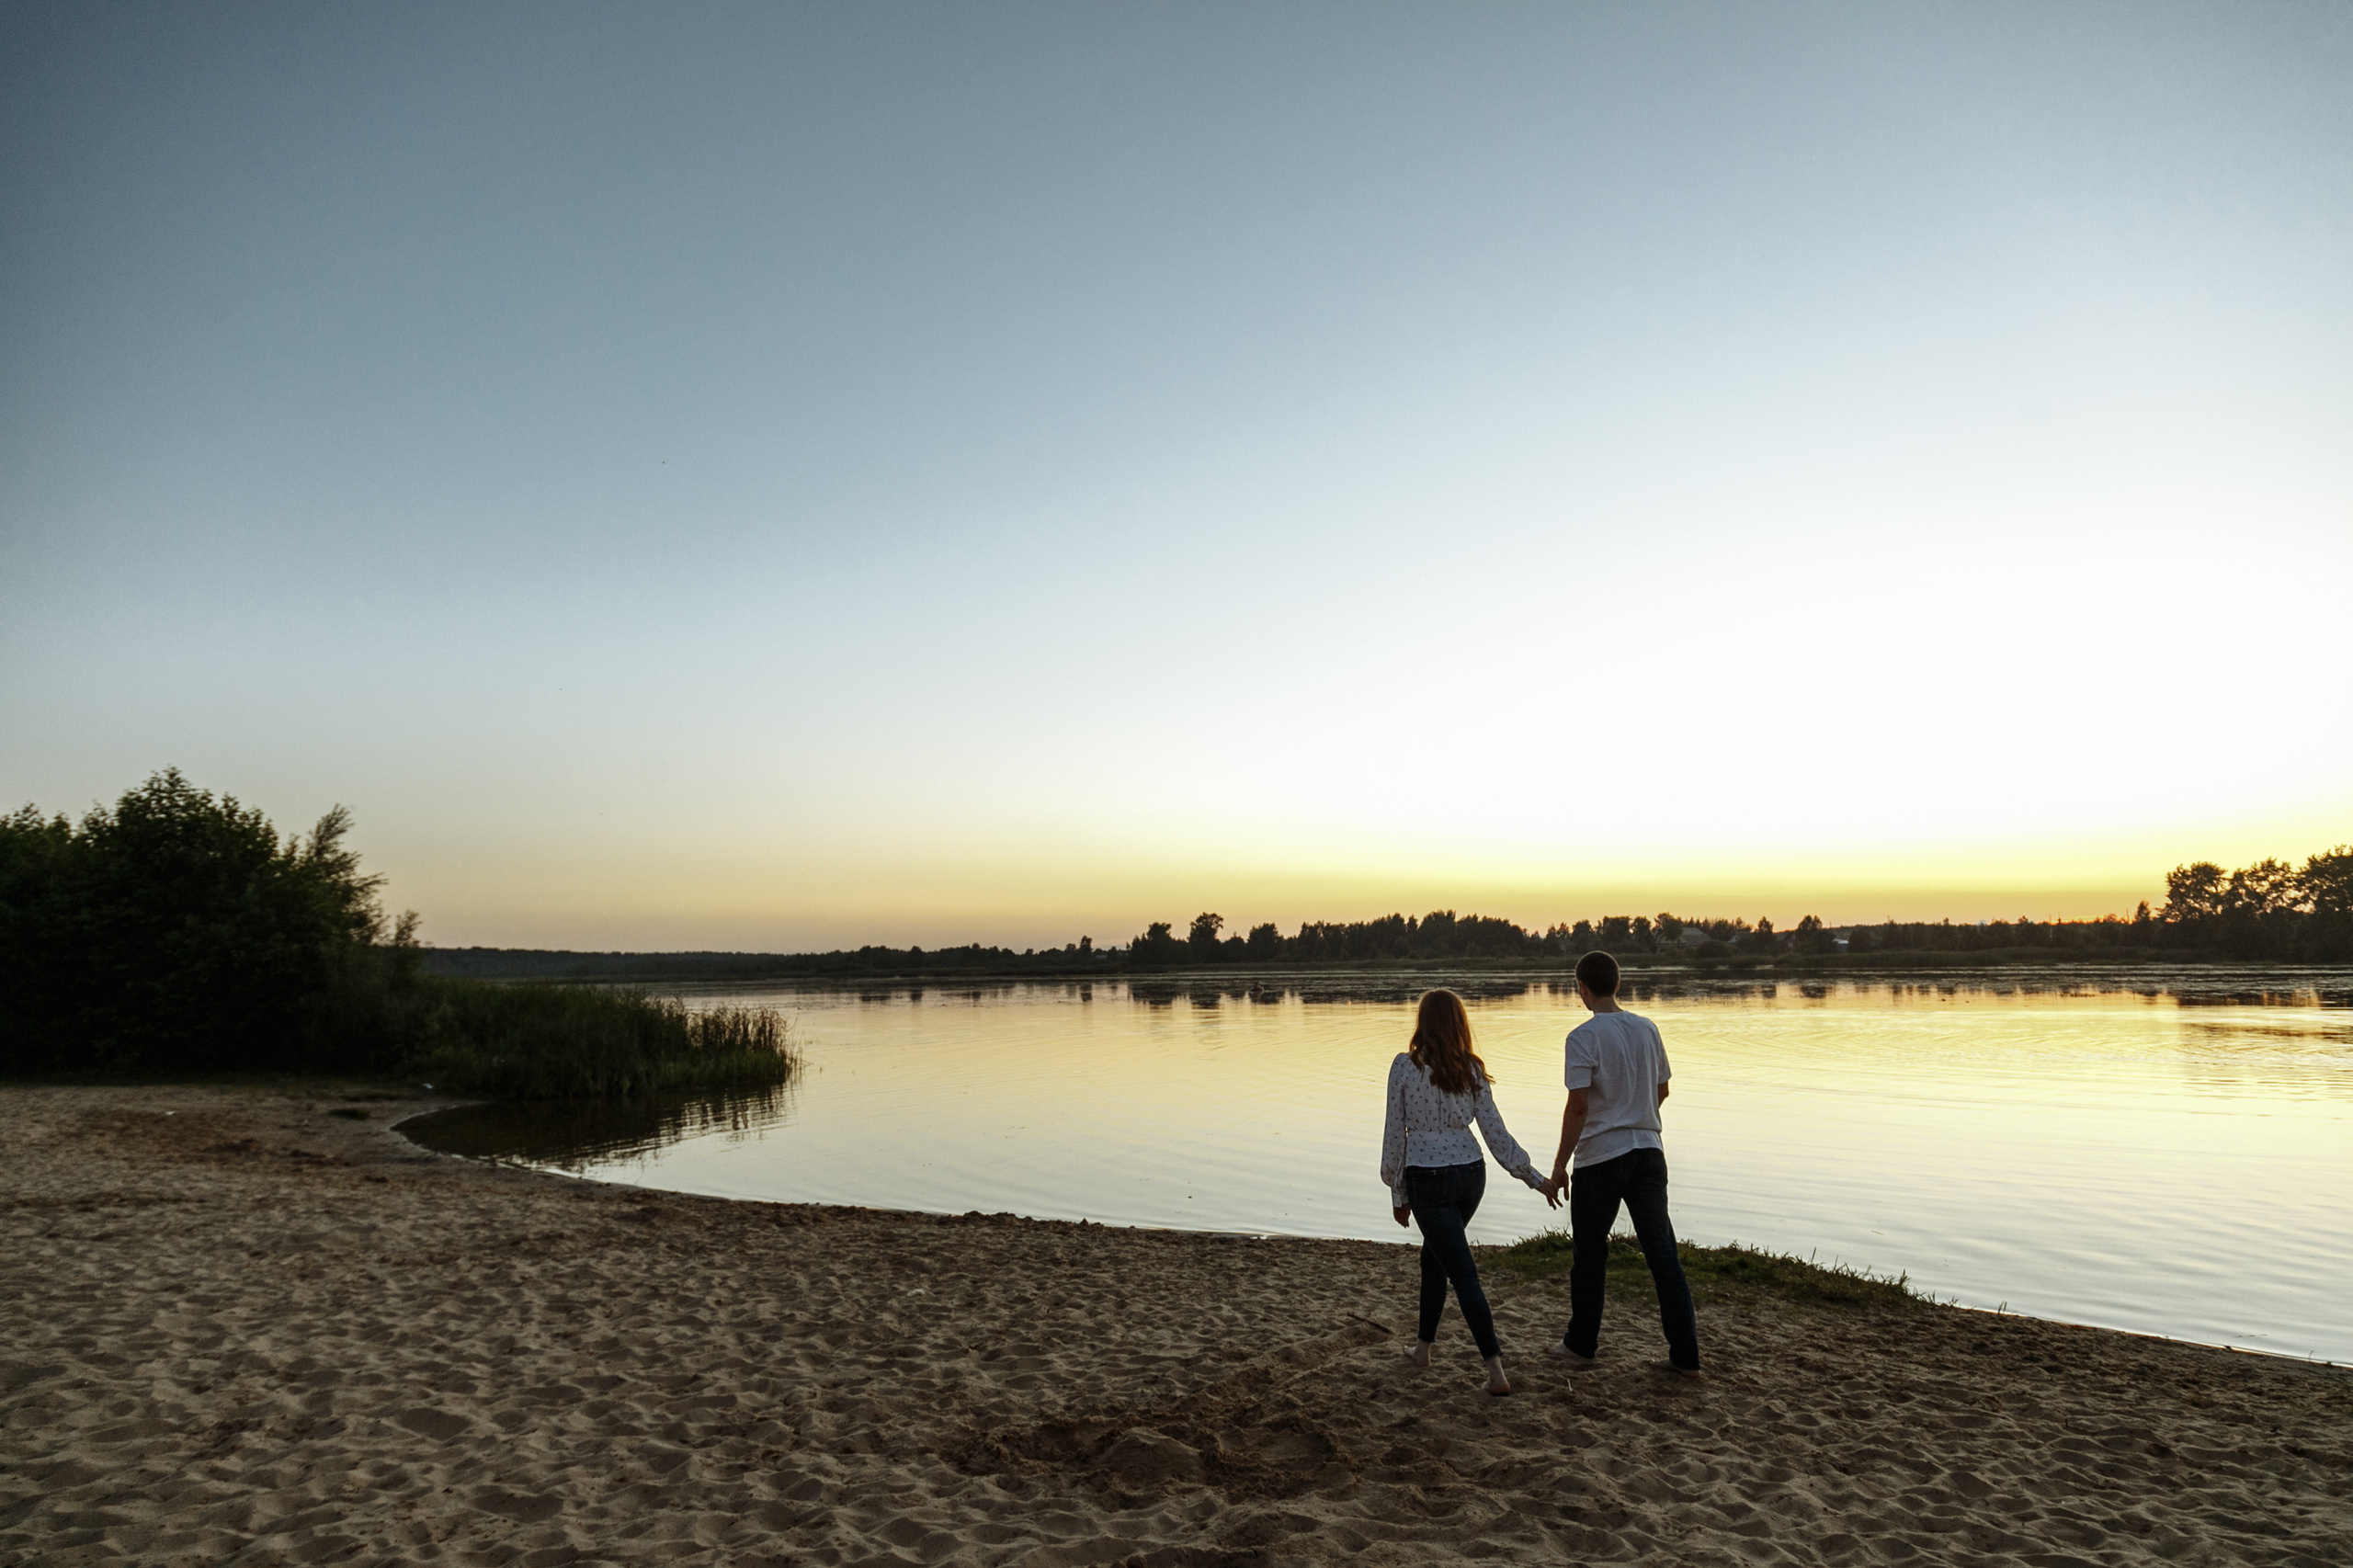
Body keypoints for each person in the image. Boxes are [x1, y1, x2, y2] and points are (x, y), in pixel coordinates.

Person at [1380, 988, 1557, 1396]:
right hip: (1470, 1176)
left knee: (1462, 1272)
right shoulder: (1471, 1069)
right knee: (1434, 1258)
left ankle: (1496, 1372)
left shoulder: (1404, 1068)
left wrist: (1396, 1191)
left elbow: (1395, 1136)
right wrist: (1531, 1175)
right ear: (1460, 1024)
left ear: (1422, 1023)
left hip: (1429, 1178)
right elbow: (1495, 1133)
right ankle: (1423, 1348)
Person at [1543, 950, 1702, 1378]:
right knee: (1663, 1253)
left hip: (1601, 1159)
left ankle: (1581, 1344)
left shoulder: (1582, 1038)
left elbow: (1577, 1107)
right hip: (1650, 1152)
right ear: (1618, 982)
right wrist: (1637, 1115)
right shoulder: (1647, 1028)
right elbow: (1662, 1089)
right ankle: (1686, 1355)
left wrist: (1560, 1165)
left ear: (1583, 988)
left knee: (1590, 1255)